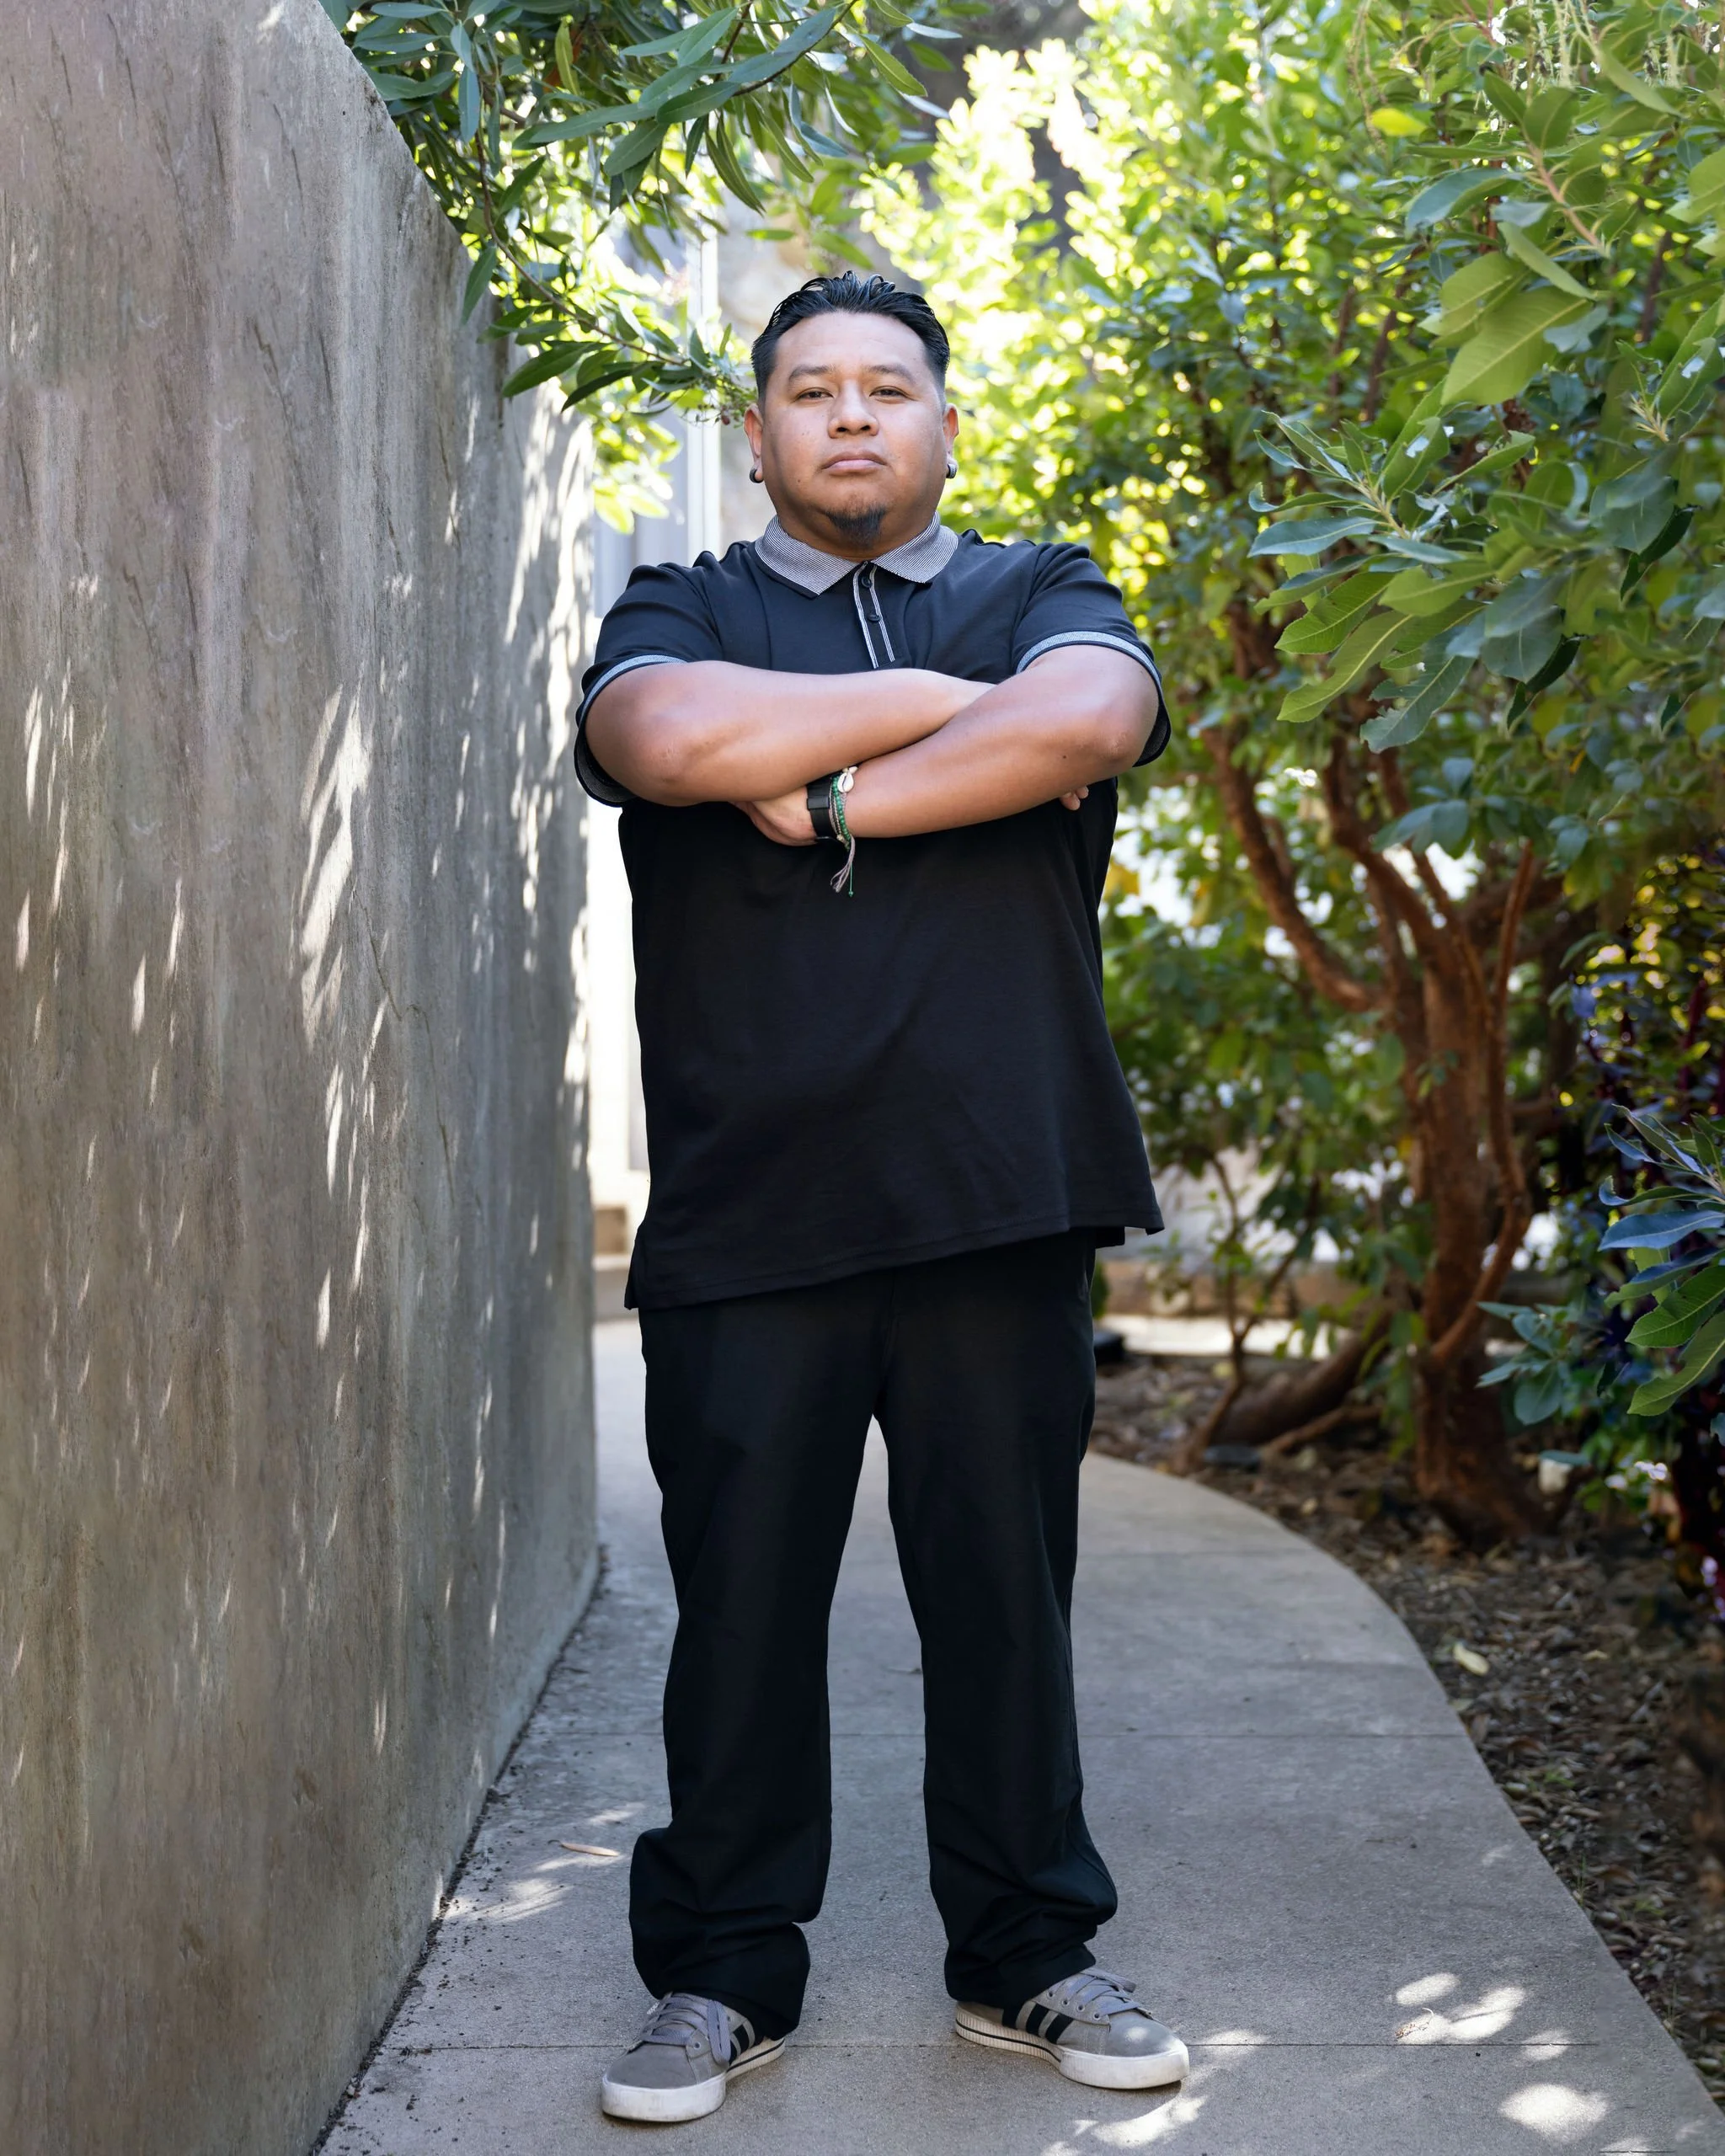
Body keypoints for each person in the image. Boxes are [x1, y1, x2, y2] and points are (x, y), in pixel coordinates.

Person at [578, 271, 1186, 2127]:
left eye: (889, 388)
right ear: (759, 432)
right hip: (749, 1206)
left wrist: (833, 795)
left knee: (1004, 1604)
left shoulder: (1042, 585)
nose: (852, 415)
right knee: (740, 1619)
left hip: (998, 1191)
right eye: (813, 390)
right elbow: (668, 745)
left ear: (945, 424)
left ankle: (1027, 1953)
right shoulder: (681, 605)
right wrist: (938, 708)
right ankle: (719, 1974)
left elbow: (1089, 718)